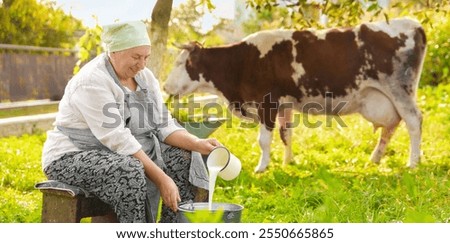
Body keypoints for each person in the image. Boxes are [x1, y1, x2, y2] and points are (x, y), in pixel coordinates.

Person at [41, 20, 220, 223]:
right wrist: (161, 179)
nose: (142, 64)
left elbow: (163, 124)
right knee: (130, 170)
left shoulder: (144, 77)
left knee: (184, 158)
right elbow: (118, 139)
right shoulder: (92, 82)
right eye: (136, 57)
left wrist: (198, 143)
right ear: (115, 52)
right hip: (71, 156)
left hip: (120, 153)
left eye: (146, 57)